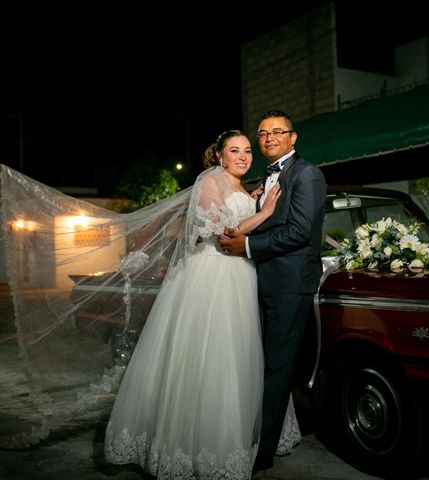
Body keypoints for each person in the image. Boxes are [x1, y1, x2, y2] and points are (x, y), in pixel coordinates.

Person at [103, 130, 283, 479]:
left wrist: (253, 199)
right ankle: (193, 444)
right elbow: (225, 233)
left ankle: (235, 434)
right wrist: (266, 212)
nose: (244, 156)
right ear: (219, 155)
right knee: (210, 352)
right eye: (235, 150)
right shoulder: (209, 181)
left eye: (247, 151)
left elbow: (236, 216)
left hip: (241, 275)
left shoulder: (239, 186)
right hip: (213, 276)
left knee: (237, 351)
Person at [218, 110, 327, 472]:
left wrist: (246, 247)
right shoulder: (265, 178)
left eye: (277, 132)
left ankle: (260, 454)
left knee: (277, 369)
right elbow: (269, 219)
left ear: (293, 138)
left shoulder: (307, 173)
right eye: (263, 134)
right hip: (259, 282)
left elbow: (299, 231)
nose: (268, 138)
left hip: (289, 285)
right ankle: (248, 437)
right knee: (258, 366)